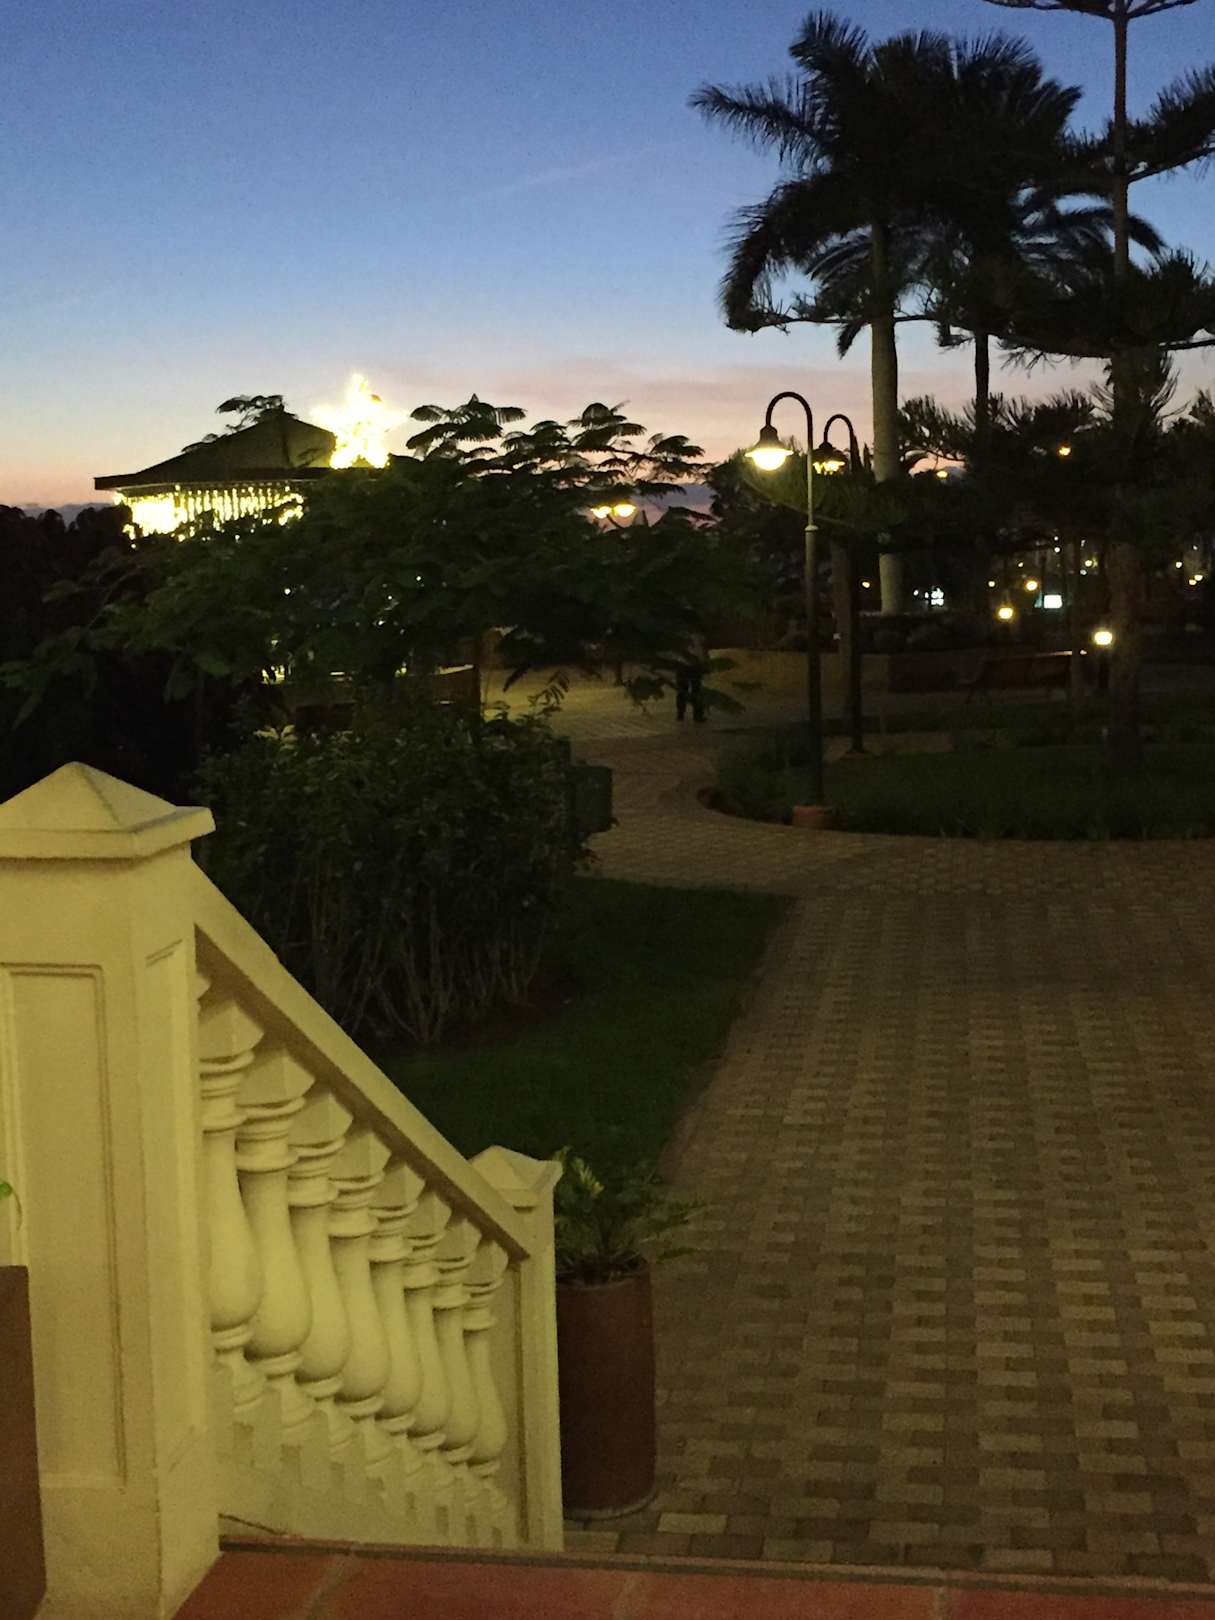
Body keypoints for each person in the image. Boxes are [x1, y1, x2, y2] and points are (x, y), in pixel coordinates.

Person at [674, 631, 708, 723]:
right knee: (695, 691)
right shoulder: (698, 637)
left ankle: (681, 714)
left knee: (683, 691)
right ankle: (697, 715)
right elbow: (701, 654)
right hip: (693, 667)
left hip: (683, 667)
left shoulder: (681, 638)